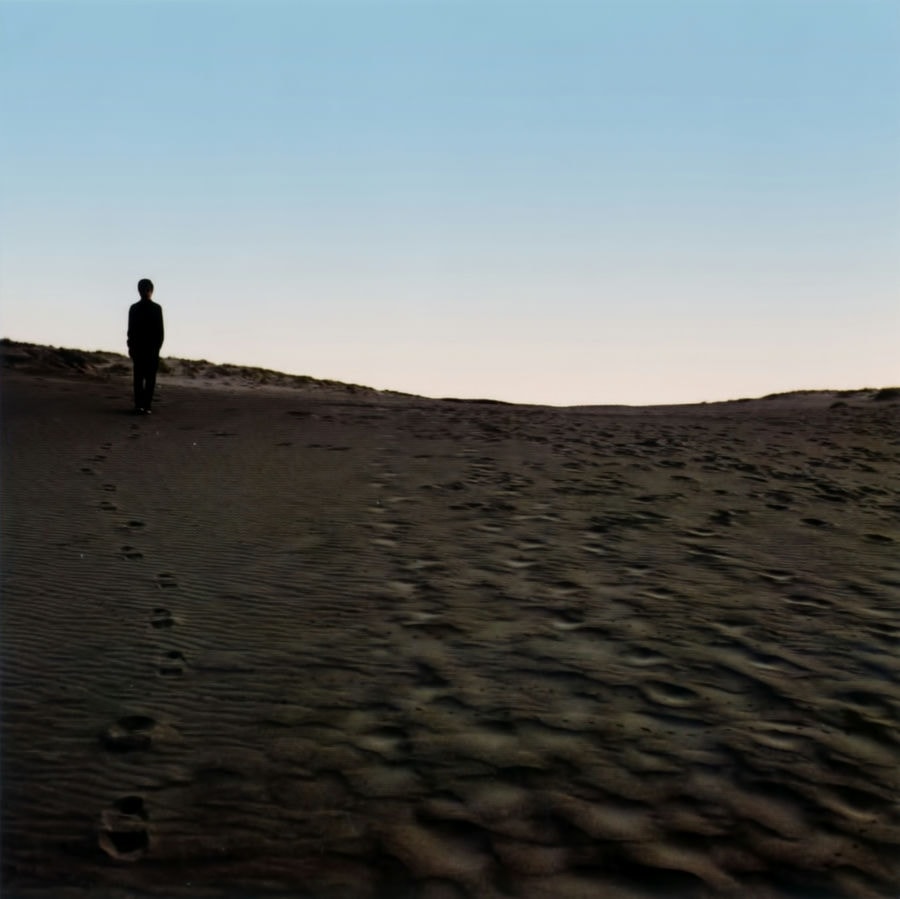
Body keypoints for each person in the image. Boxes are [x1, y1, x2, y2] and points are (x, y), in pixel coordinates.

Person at [127, 278, 164, 414]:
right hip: (145, 349)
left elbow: (159, 333)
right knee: (145, 379)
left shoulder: (136, 308)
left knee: (143, 378)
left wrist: (131, 346)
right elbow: (160, 333)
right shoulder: (153, 308)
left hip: (145, 349)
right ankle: (143, 405)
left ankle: (142, 405)